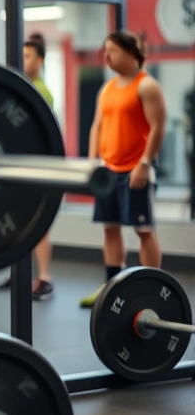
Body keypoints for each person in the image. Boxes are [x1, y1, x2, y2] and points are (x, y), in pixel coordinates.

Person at [80, 30, 166, 308]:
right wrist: (93, 161)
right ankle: (110, 287)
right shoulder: (107, 88)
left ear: (130, 53)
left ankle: (153, 286)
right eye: (105, 50)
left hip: (135, 170)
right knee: (110, 229)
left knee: (143, 230)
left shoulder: (147, 86)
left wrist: (144, 163)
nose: (106, 56)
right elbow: (97, 126)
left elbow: (158, 127)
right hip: (108, 169)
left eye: (112, 51)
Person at [0, 33, 56, 300]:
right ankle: (19, 273)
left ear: (40, 60)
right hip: (19, 166)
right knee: (18, 222)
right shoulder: (24, 89)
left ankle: (45, 278)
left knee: (37, 224)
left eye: (28, 56)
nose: (23, 60)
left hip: (36, 166)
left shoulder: (40, 91)